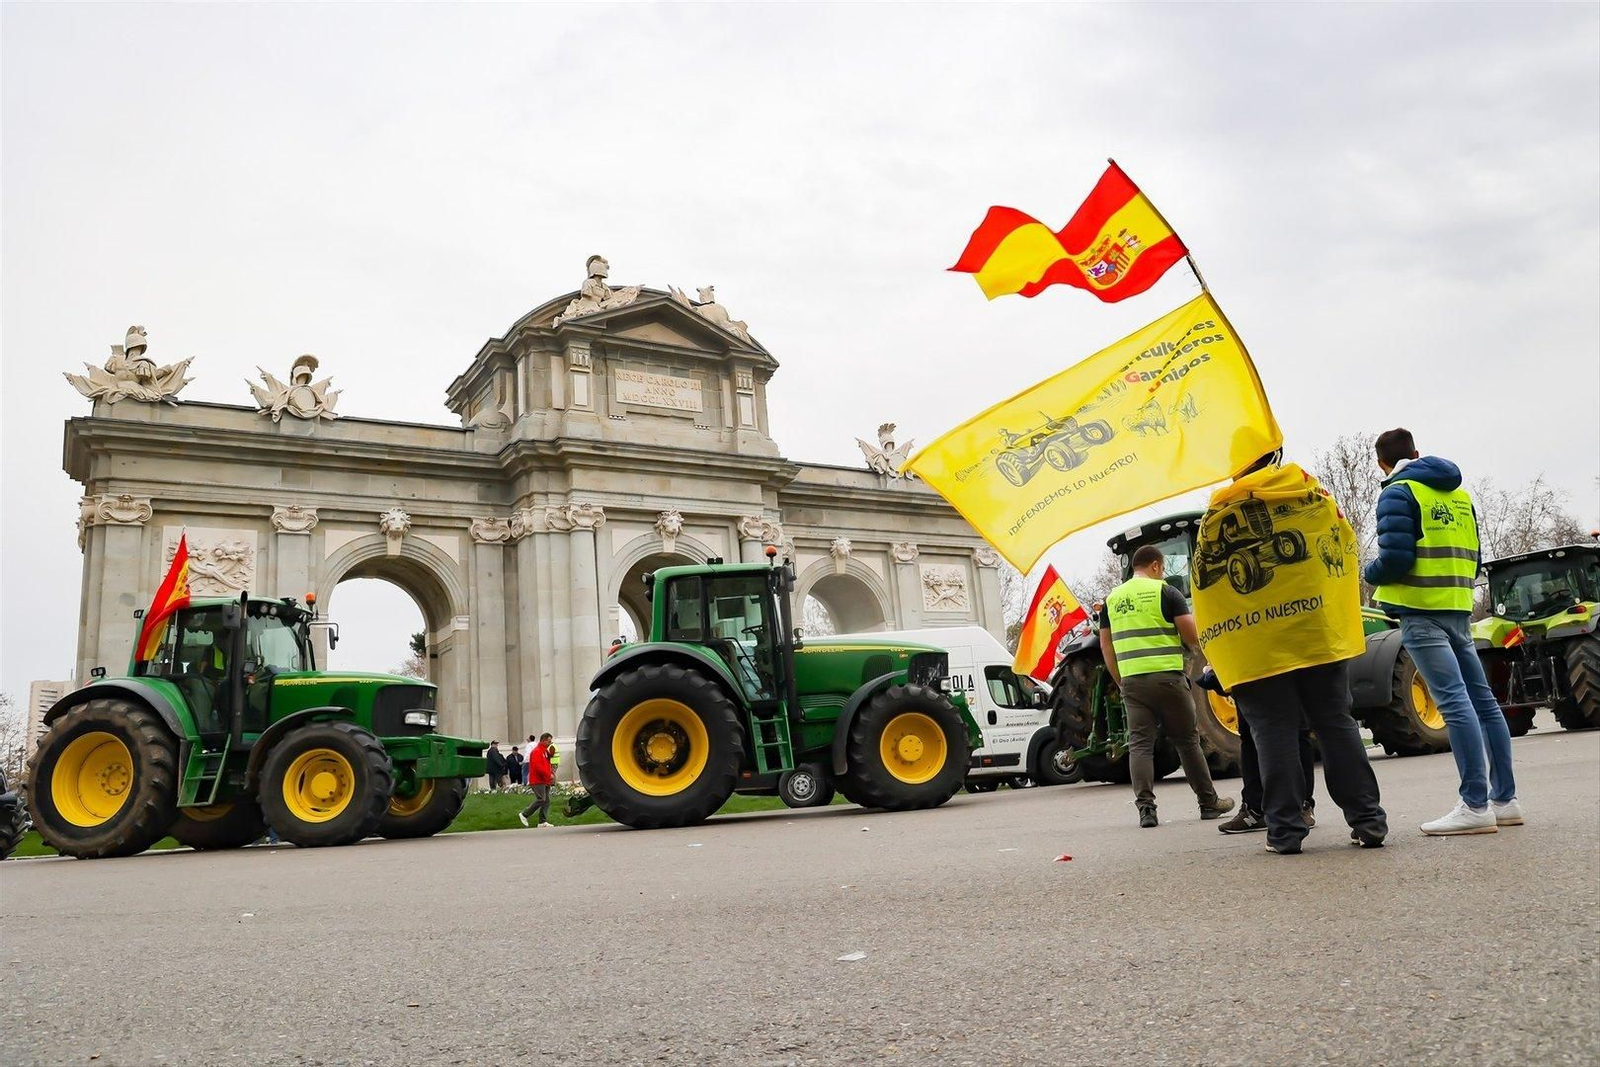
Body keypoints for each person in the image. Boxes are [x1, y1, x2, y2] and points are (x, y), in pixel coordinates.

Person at [1193, 453, 1387, 855]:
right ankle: (1368, 819)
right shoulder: (1311, 496)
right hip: (1318, 635)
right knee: (1335, 723)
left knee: (1273, 732)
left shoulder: (1220, 512)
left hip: (1258, 646)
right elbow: (1340, 551)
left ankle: (1285, 830)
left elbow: (1207, 589)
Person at [1364, 428, 1519, 835]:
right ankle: (1505, 800)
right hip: (1456, 606)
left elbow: (1396, 558)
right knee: (1483, 701)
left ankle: (1474, 805)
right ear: (1416, 452)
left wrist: (1368, 571)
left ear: (1382, 463)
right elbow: (1475, 556)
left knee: (1454, 704)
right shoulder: (1460, 496)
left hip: (1421, 611)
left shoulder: (1398, 493)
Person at [1099, 545, 1234, 828]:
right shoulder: (1166, 592)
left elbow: (1106, 647)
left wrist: (1121, 681)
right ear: (1157, 566)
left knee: (1140, 745)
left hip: (1133, 682)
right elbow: (1192, 636)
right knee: (1187, 741)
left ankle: (1146, 809)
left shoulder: (1112, 599)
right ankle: (1208, 803)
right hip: (1169, 679)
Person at [1212, 694, 1318, 834]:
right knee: (1248, 731)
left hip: (1286, 674)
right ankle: (1255, 810)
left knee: (1296, 726)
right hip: (1245, 676)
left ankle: (1303, 805)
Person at [519, 733, 557, 828]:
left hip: (544, 780)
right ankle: (524, 814)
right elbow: (538, 767)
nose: (550, 743)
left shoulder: (544, 750)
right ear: (543, 740)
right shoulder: (536, 751)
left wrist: (551, 754)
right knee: (541, 799)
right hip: (537, 780)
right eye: (548, 741)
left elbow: (547, 760)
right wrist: (549, 775)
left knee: (546, 801)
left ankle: (542, 821)